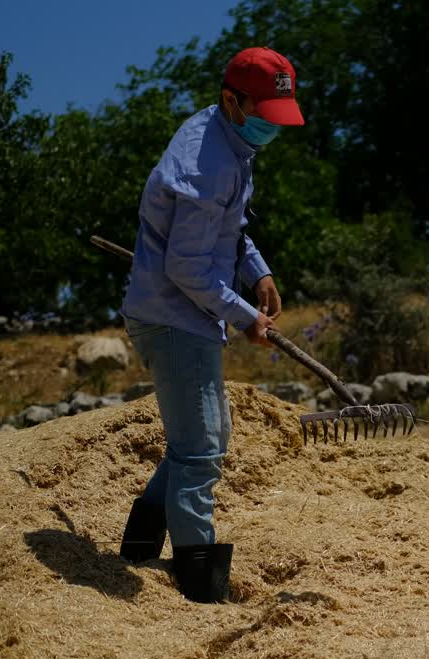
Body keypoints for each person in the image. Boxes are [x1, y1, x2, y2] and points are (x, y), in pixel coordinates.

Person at [116, 47, 304, 603]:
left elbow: (233, 228)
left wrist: (257, 271)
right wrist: (247, 317)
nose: (272, 125)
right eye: (264, 112)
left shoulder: (230, 139)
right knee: (199, 452)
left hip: (185, 316)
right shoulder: (208, 164)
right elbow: (186, 269)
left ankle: (140, 544)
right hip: (174, 317)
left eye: (279, 114)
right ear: (231, 100)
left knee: (205, 438)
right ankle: (199, 584)